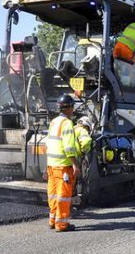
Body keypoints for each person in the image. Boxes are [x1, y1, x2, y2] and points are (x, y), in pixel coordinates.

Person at [46, 94, 80, 232]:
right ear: (69, 108)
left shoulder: (54, 122)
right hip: (63, 167)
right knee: (63, 196)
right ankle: (62, 225)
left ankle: (52, 221)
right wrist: (75, 164)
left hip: (51, 165)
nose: (73, 110)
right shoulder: (67, 123)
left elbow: (49, 143)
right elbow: (69, 147)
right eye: (72, 107)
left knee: (53, 195)